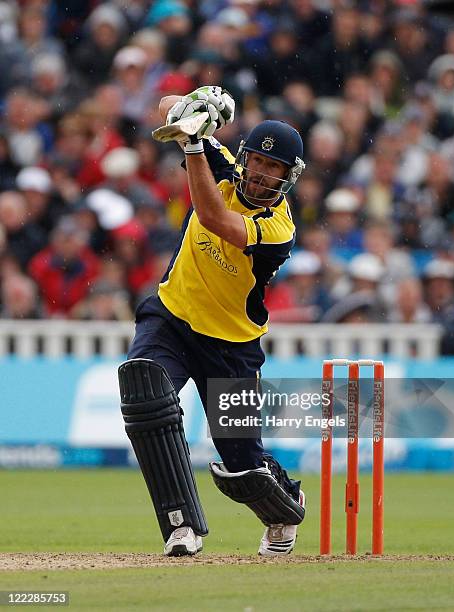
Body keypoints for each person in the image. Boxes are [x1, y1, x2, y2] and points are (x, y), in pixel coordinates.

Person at [118, 85, 306, 557]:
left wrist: (194, 144)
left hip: (231, 345)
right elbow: (163, 108)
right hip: (173, 317)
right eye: (257, 163)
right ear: (245, 157)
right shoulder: (222, 160)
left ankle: (286, 507)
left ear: (288, 177)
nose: (261, 175)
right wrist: (196, 108)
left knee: (243, 463)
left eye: (274, 168)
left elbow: (214, 217)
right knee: (146, 393)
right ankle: (181, 524)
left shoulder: (278, 229)